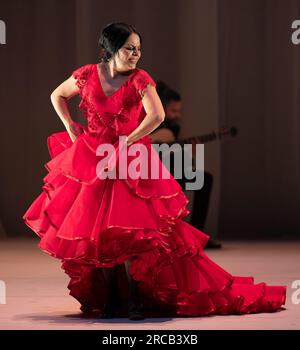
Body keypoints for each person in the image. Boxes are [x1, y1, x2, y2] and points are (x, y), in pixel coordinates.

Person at [23, 22, 286, 320]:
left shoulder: (139, 78)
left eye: (138, 48)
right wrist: (70, 125)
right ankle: (112, 299)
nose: (136, 54)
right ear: (110, 49)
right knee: (100, 232)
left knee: (135, 231)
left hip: (131, 159)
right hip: (94, 157)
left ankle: (135, 297)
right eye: (129, 48)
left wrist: (128, 141)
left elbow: (157, 115)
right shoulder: (87, 74)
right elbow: (57, 95)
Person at [149, 81, 222, 249]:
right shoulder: (148, 122)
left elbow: (175, 160)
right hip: (148, 175)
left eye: (179, 111)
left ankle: (197, 235)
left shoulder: (173, 129)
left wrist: (189, 154)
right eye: (174, 111)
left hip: (168, 172)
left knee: (204, 179)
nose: (177, 115)